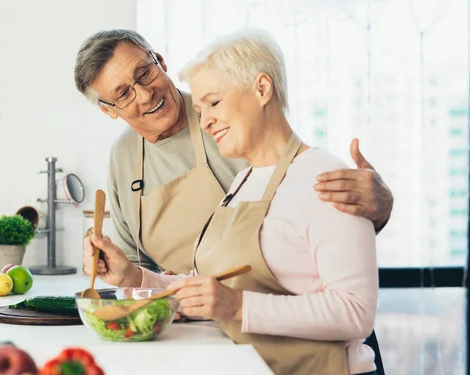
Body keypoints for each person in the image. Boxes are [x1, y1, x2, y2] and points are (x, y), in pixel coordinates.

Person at [74, 29, 390, 375]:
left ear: (261, 89)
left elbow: (345, 299)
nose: (205, 119)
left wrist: (382, 207)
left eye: (212, 102)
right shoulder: (242, 180)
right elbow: (206, 283)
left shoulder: (303, 169)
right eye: (123, 93)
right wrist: (133, 276)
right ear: (109, 109)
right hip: (227, 344)